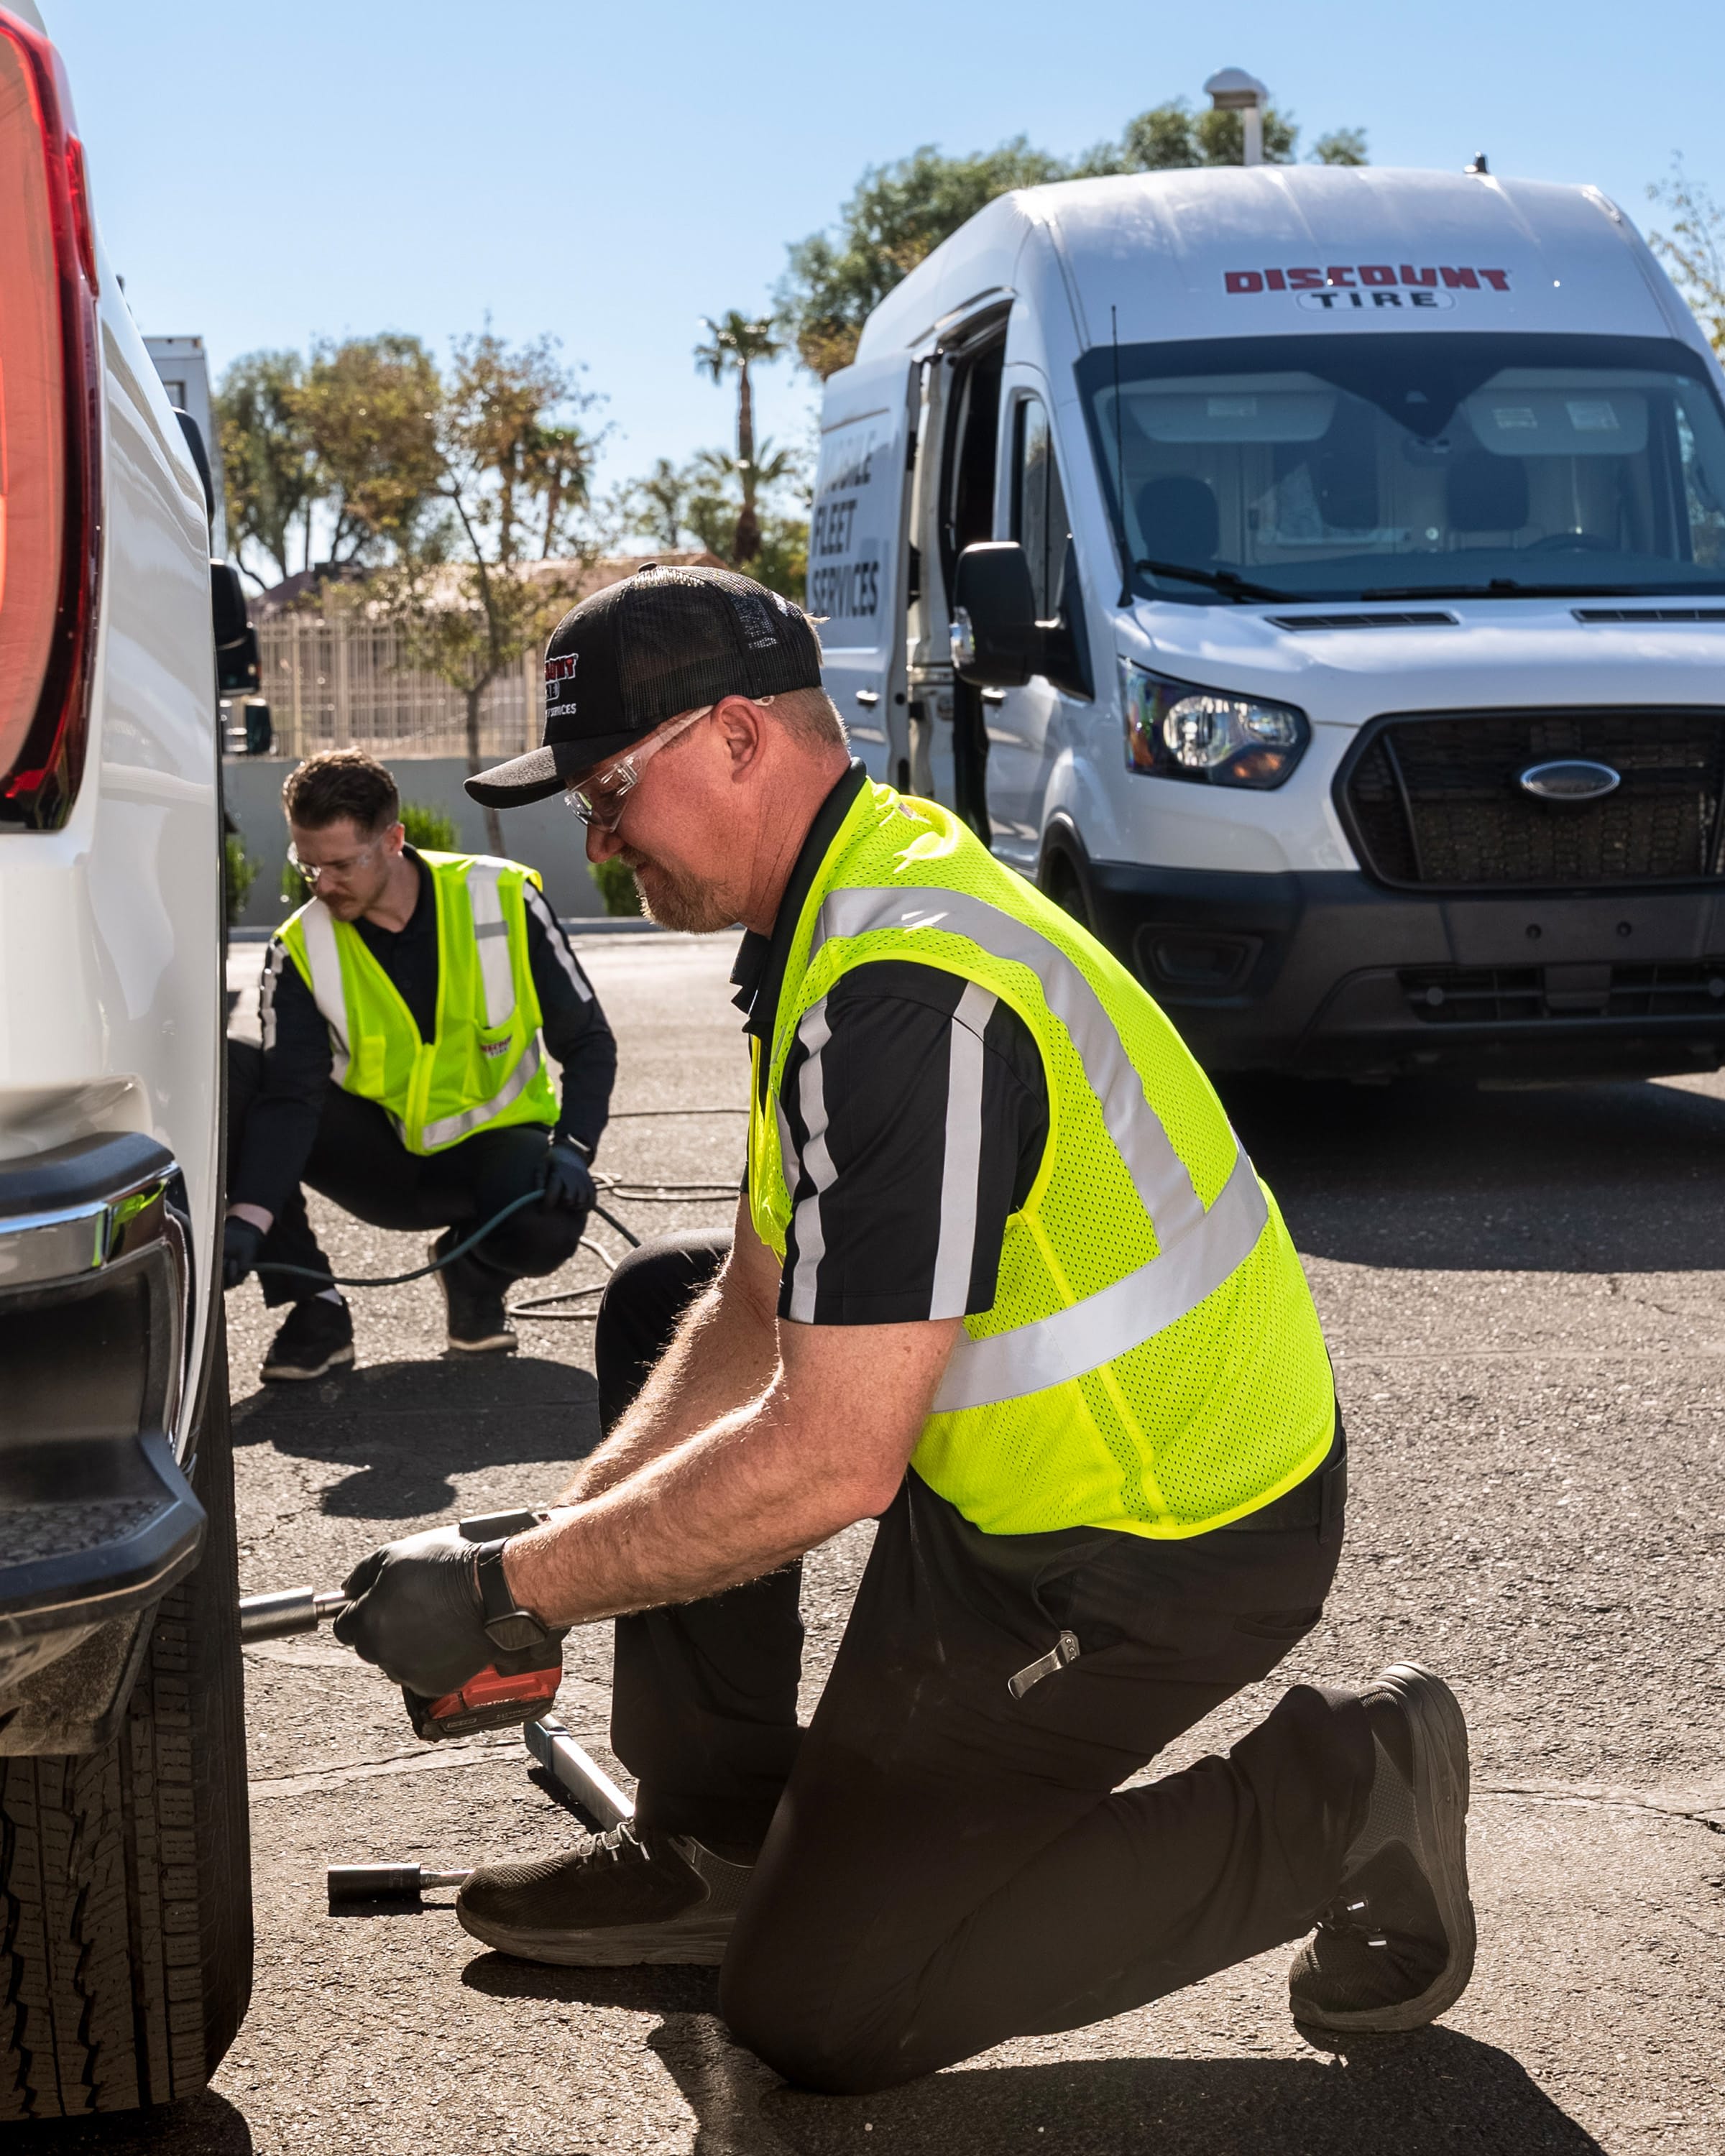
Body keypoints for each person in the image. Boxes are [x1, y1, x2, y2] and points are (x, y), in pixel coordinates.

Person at [331, 566, 1474, 2093]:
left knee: (826, 2010)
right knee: (663, 1297)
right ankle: (720, 1841)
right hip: (1008, 1489)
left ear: (739, 736)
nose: (596, 841)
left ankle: (1352, 1788)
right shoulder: (831, 905)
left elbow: (829, 1460)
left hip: (1164, 1540)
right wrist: (539, 1564)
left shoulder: (899, 995)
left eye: (612, 791)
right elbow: (751, 1298)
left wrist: (516, 1587)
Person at [224, 747, 616, 1381]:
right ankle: (314, 1309)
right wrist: (250, 1218)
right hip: (378, 1163)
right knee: (233, 1072)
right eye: (308, 865)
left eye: (341, 864)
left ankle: (474, 1274)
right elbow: (290, 1101)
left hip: (490, 1155)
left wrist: (573, 1148)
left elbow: (589, 1042)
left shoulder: (502, 898)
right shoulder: (299, 947)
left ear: (394, 840)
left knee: (550, 1223)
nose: (322, 884)